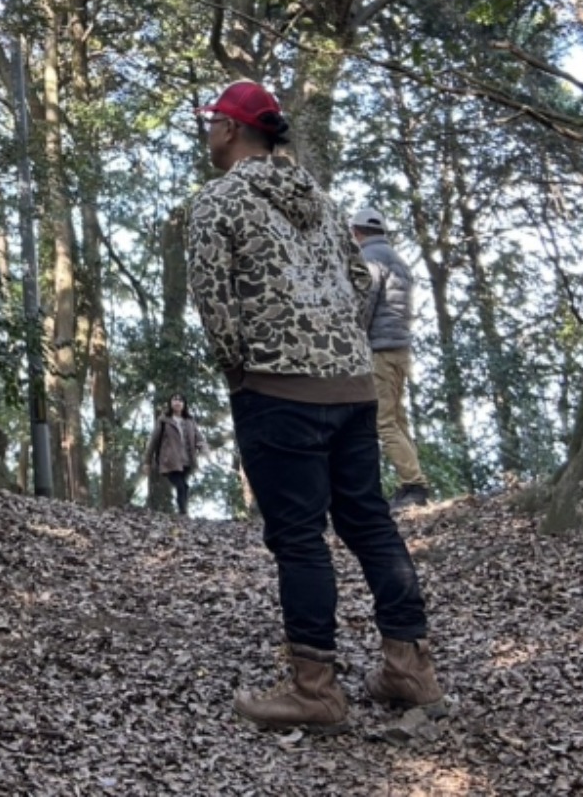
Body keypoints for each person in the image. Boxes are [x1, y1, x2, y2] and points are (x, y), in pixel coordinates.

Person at [187, 79, 444, 733]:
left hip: (278, 390)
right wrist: (338, 350)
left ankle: (314, 688)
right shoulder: (327, 204)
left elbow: (215, 301)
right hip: (352, 386)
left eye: (212, 120)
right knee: (368, 521)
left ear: (232, 130)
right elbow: (359, 284)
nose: (207, 131)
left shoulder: (218, 201)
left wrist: (243, 370)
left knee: (299, 537)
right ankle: (409, 667)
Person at [352, 205, 429, 510]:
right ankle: (413, 481)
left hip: (380, 350)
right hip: (401, 349)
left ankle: (414, 485)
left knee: (384, 422)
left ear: (356, 232)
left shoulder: (369, 259)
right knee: (398, 418)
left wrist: (354, 336)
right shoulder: (398, 261)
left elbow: (365, 301)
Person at [142, 393, 202, 516]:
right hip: (170, 460)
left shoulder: (190, 421)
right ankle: (183, 513)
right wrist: (147, 462)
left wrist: (203, 449)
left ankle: (183, 513)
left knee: (184, 486)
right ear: (170, 403)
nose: (177, 402)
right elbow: (153, 441)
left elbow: (199, 438)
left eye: (180, 400)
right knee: (181, 486)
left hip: (187, 461)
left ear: (184, 404)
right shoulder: (164, 420)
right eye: (175, 400)